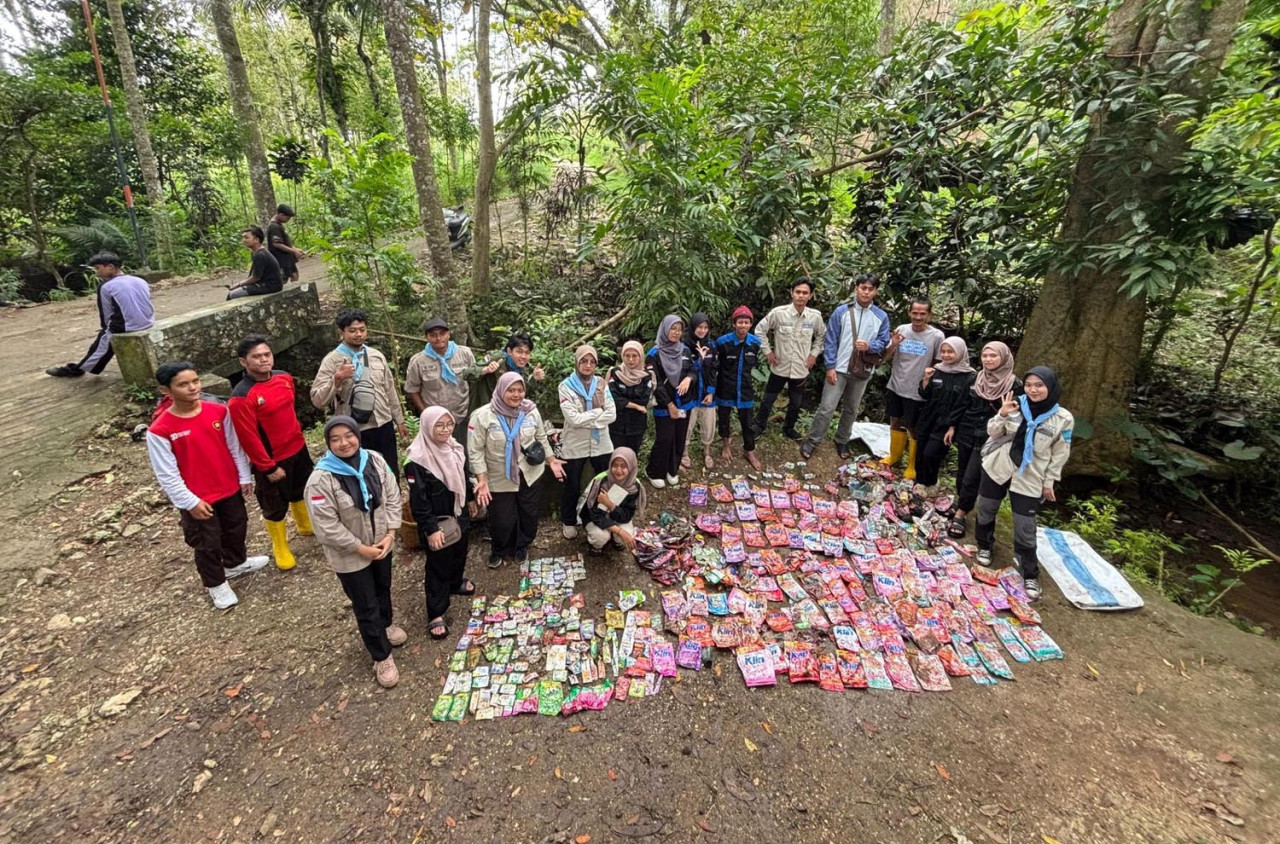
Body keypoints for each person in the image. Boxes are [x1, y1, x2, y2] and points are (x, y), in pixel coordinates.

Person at [145, 361, 269, 609]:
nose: (192, 388)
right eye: (183, 384)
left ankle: (235, 563)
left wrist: (244, 476)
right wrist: (189, 501)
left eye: (195, 381)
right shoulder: (160, 429)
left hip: (228, 485)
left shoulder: (217, 411)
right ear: (165, 390)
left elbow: (234, 445)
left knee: (237, 526)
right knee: (206, 542)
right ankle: (216, 583)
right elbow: (166, 473)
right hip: (198, 496)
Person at [305, 416, 405, 688]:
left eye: (348, 435)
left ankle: (385, 626)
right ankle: (380, 655)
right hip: (350, 554)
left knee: (383, 587)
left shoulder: (373, 459)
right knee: (365, 602)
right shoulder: (320, 479)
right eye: (335, 438)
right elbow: (325, 526)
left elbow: (393, 495)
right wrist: (361, 548)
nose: (344, 443)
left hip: (382, 542)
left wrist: (391, 533)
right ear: (327, 443)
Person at [974, 367, 1074, 601]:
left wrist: (1050, 480)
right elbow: (992, 432)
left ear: (1050, 387)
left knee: (1025, 526)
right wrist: (1002, 414)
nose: (1033, 390)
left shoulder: (1062, 418)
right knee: (986, 508)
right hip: (999, 466)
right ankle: (984, 545)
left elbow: (1060, 452)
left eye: (1039, 385)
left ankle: (1029, 572)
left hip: (1030, 474)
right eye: (1029, 385)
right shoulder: (1015, 404)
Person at [228, 335, 314, 571]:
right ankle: (280, 545)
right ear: (243, 362)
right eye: (257, 356)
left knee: (301, 488)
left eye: (267, 354)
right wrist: (267, 466)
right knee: (274, 503)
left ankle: (304, 524)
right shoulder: (242, 396)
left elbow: (289, 409)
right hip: (273, 458)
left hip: (297, 446)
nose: (264, 360)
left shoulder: (283, 377)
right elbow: (248, 437)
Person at [469, 372, 565, 568]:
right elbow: (475, 450)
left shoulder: (530, 411)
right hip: (498, 477)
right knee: (501, 518)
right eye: (511, 390)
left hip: (529, 472)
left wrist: (551, 460)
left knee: (528, 513)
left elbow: (540, 436)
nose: (516, 395)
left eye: (520, 390)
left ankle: (522, 545)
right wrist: (482, 479)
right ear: (500, 390)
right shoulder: (482, 416)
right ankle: (499, 548)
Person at [801, 273, 892, 460]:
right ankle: (812, 440)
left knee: (851, 408)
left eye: (870, 289)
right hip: (839, 368)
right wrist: (830, 366)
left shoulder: (880, 316)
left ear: (876, 291)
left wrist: (869, 346)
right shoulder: (841, 311)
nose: (866, 292)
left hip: (863, 370)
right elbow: (831, 339)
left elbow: (884, 341)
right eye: (863, 288)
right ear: (856, 288)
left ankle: (842, 440)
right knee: (827, 406)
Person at [406, 406, 476, 641]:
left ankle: (455, 583)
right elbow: (419, 501)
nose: (445, 430)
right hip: (438, 520)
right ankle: (436, 612)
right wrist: (430, 529)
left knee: (459, 551)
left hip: (458, 512)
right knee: (438, 563)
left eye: (448, 425)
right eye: (439, 425)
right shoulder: (417, 459)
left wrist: (472, 500)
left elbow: (464, 478)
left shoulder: (455, 448)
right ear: (427, 426)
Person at [310, 308, 407, 478]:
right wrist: (337, 378)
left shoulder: (376, 356)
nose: (358, 334)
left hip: (383, 423)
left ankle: (392, 501)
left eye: (362, 330)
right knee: (364, 473)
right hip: (355, 429)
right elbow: (318, 399)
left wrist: (399, 420)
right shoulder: (332, 360)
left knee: (390, 470)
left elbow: (389, 389)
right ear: (341, 332)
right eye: (352, 331)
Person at [949, 341, 1022, 538]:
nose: (988, 360)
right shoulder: (976, 378)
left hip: (992, 436)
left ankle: (961, 513)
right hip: (967, 430)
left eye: (993, 356)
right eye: (985, 356)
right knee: (963, 472)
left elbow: (1016, 416)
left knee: (973, 476)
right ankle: (963, 502)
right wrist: (952, 426)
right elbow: (962, 404)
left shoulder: (1013, 384)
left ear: (1004, 358)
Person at [46, 251, 154, 378]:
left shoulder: (107, 286)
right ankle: (82, 366)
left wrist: (105, 328)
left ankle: (76, 370)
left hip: (127, 326)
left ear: (110, 267)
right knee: (107, 335)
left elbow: (106, 314)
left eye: (98, 268)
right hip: (148, 321)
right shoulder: (139, 280)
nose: (97, 273)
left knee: (102, 341)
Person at [879, 297, 945, 479]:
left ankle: (912, 465)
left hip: (917, 390)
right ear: (909, 312)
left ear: (929, 315)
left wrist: (928, 383)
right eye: (915, 313)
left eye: (922, 313)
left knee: (913, 426)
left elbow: (939, 363)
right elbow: (885, 357)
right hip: (896, 384)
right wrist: (893, 344)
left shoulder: (937, 336)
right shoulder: (902, 330)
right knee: (895, 421)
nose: (918, 317)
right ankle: (894, 456)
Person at [754, 278, 826, 440]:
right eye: (798, 292)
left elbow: (822, 336)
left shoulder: (815, 317)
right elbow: (759, 331)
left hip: (801, 368)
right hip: (779, 365)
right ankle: (759, 425)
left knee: (796, 402)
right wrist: (767, 351)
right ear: (791, 293)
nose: (801, 296)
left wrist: (814, 354)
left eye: (805, 293)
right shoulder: (779, 313)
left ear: (811, 295)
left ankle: (789, 428)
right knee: (768, 399)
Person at [558, 345, 617, 539]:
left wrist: (588, 417)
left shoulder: (601, 383)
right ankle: (568, 520)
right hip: (575, 444)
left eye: (592, 362)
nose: (588, 365)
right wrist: (598, 413)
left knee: (605, 481)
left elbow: (612, 414)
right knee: (572, 484)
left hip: (601, 444)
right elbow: (573, 419)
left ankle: (600, 515)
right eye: (584, 361)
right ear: (577, 362)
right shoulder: (565, 386)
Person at [912, 337, 976, 488]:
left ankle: (930, 484)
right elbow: (925, 395)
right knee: (920, 453)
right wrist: (926, 379)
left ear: (960, 352)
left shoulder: (970, 377)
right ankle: (918, 484)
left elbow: (964, 404)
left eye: (950, 352)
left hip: (947, 424)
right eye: (943, 352)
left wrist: (953, 426)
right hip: (928, 419)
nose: (946, 355)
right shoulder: (937, 370)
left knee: (931, 454)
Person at [645, 315, 698, 488]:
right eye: (672, 328)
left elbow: (693, 370)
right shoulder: (654, 354)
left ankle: (672, 469)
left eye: (679, 329)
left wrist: (688, 379)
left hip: (685, 403)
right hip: (664, 405)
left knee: (679, 438)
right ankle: (654, 471)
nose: (676, 332)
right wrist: (669, 405)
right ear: (665, 329)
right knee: (665, 438)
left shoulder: (685, 350)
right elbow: (656, 383)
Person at [404, 316, 475, 445]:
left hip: (462, 416)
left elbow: (474, 381)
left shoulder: (465, 354)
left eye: (442, 334)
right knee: (437, 456)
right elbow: (412, 389)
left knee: (464, 454)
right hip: (435, 420)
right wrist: (425, 412)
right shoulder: (418, 361)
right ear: (427, 337)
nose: (438, 338)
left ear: (448, 334)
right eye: (433, 335)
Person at [713, 306, 764, 470]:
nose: (743, 325)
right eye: (740, 322)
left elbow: (756, 364)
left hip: (746, 388)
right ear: (734, 324)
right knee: (724, 418)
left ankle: (749, 450)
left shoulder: (755, 343)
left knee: (748, 422)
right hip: (725, 387)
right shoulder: (722, 342)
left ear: (750, 324)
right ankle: (726, 444)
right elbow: (715, 366)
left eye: (746, 322)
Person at [579, 447, 646, 556]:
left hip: (617, 516)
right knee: (600, 537)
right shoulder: (602, 481)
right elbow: (595, 515)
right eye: (615, 465)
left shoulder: (633, 486)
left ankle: (615, 539)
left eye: (624, 466)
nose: (618, 470)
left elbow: (627, 516)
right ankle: (597, 545)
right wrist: (620, 531)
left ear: (631, 467)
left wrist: (609, 504)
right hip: (595, 518)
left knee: (627, 534)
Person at [469, 332, 547, 411]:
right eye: (519, 352)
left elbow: (519, 394)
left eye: (527, 353)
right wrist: (485, 370)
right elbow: (466, 373)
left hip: (506, 413)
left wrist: (534, 379)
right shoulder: (497, 358)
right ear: (509, 351)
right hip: (484, 411)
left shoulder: (524, 369)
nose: (523, 356)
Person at [682, 313, 718, 471]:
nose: (702, 330)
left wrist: (710, 392)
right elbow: (685, 371)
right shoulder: (683, 347)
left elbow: (714, 370)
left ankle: (707, 452)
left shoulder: (711, 345)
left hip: (706, 393)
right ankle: (684, 452)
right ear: (693, 328)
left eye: (705, 327)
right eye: (699, 327)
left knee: (709, 423)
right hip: (689, 394)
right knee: (687, 425)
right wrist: (699, 360)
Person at [606, 340, 653, 456]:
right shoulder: (615, 373)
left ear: (640, 356)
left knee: (632, 455)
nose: (630, 359)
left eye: (634, 356)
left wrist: (626, 403)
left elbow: (644, 400)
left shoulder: (646, 376)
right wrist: (636, 406)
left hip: (636, 426)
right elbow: (613, 399)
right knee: (616, 456)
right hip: (616, 425)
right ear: (622, 356)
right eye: (627, 356)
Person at [226, 225, 283, 300]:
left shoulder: (260, 255)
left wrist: (239, 284)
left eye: (246, 238)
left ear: (256, 239)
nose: (244, 240)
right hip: (268, 284)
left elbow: (255, 277)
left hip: (270, 286)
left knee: (233, 295)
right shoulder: (259, 253)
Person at [265, 204, 305, 284]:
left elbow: (284, 242)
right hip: (280, 259)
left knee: (294, 275)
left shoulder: (279, 225)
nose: (288, 220)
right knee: (283, 279)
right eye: (287, 218)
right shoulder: (274, 226)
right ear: (281, 214)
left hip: (287, 258)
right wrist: (294, 251)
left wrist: (295, 249)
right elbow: (277, 244)